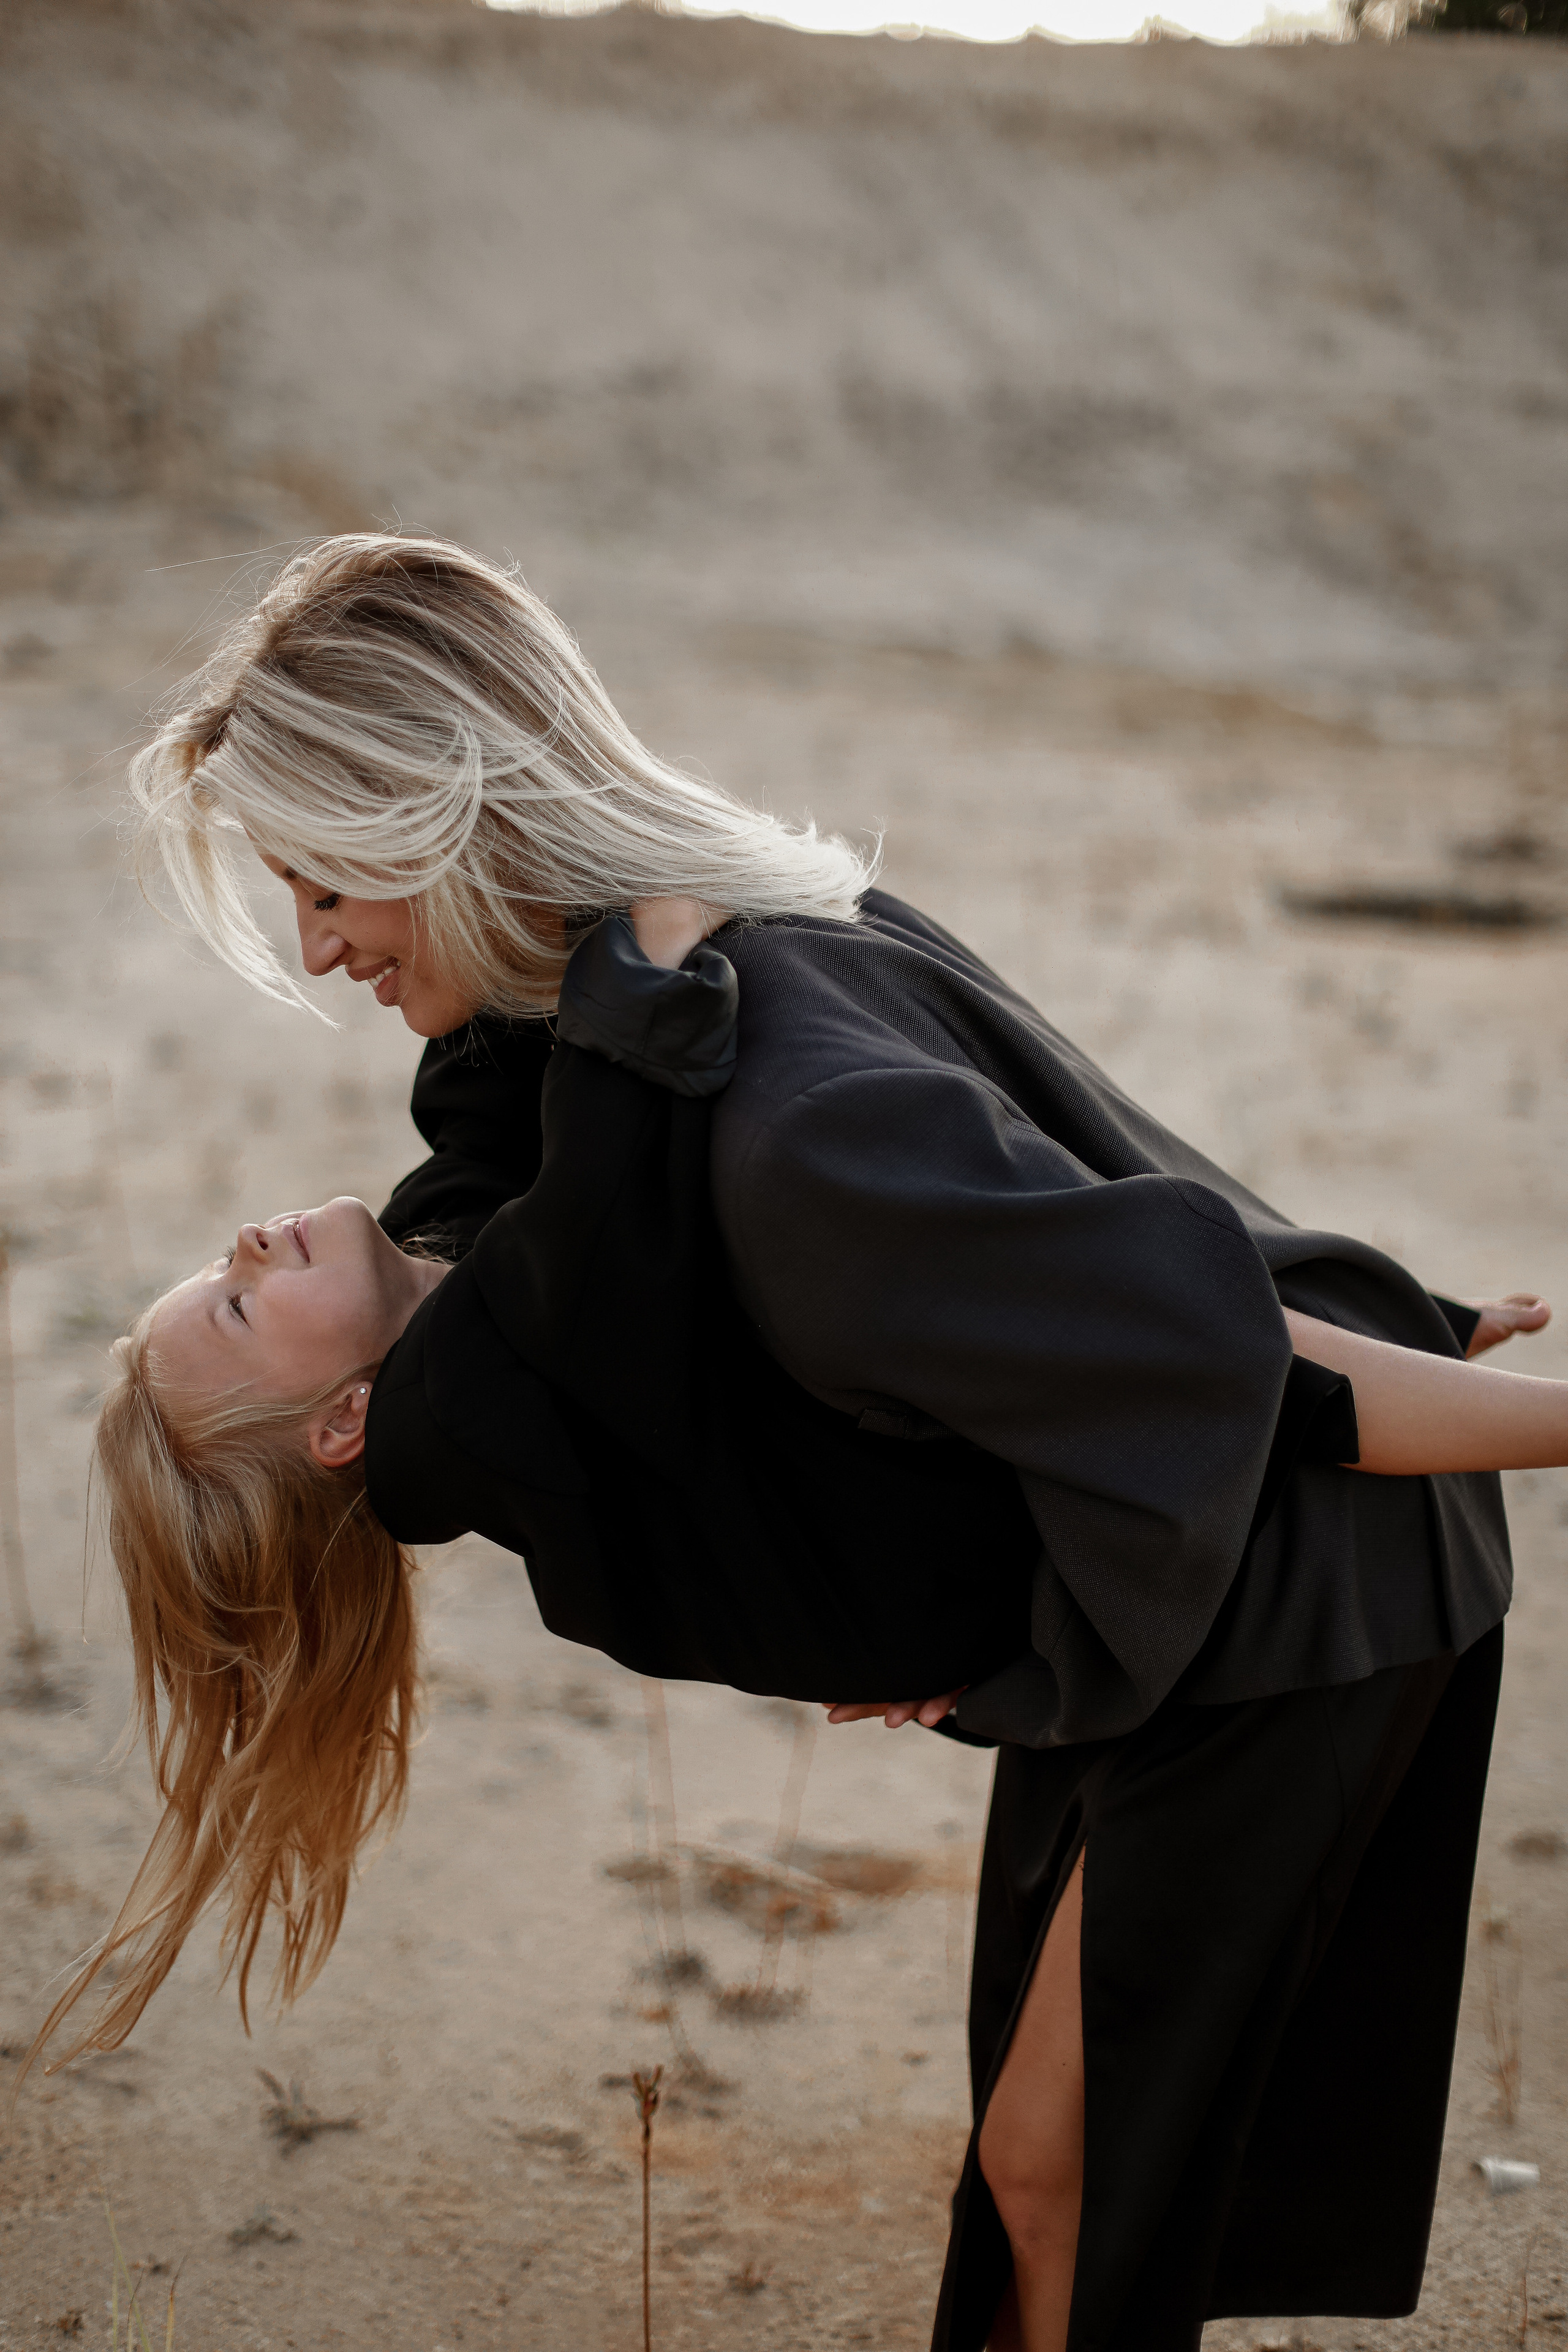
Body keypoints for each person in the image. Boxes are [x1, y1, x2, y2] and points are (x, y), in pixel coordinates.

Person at [94, 528, 1557, 2352]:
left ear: (430, 811)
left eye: (327, 887)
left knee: (1076, 2185)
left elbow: (1207, 1336)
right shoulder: (636, 1087)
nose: (317, 952)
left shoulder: (772, 1114)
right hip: (1144, 1595)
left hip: (1285, 1584)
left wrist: (1480, 1375)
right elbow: (1020, 1288)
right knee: (1049, 2188)